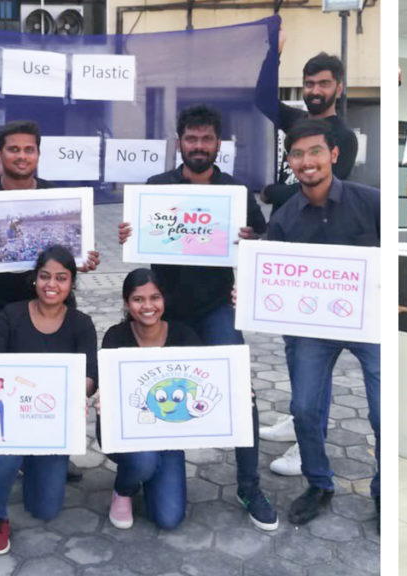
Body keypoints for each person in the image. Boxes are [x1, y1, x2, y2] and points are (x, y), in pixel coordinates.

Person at [118, 104, 277, 531]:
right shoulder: (155, 187)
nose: (199, 146)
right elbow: (138, 248)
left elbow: (262, 247)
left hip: (214, 311)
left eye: (208, 139)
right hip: (162, 313)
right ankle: (136, 471)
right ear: (179, 143)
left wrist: (250, 245)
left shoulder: (237, 194)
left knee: (241, 395)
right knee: (145, 389)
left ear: (219, 145)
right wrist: (128, 237)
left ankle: (249, 485)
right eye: (192, 139)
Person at [0, 120, 99, 484]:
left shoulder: (54, 197)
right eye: (13, 149)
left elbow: (68, 258)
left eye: (28, 149)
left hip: (48, 310)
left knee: (48, 384)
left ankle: (55, 450)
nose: (22, 156)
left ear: (38, 153)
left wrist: (84, 258)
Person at [266, 119, 380, 526]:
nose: (306, 161)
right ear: (289, 162)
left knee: (382, 411)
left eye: (315, 151)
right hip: (312, 329)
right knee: (304, 407)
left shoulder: (371, 202)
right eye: (297, 154)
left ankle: (382, 492)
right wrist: (251, 295)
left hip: (369, 326)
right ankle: (318, 483)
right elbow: (269, 274)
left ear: (333, 155)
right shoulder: (282, 218)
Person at [0, 245, 98, 555]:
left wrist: (79, 392)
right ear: (34, 279)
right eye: (45, 276)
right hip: (11, 421)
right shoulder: (11, 314)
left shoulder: (81, 322)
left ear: (72, 282)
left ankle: (30, 463)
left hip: (50, 424)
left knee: (45, 509)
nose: (51, 285)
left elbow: (90, 375)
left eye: (61, 278)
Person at [97, 267, 201, 530]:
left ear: (164, 300)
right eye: (138, 299)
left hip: (168, 435)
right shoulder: (115, 337)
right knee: (144, 460)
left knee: (169, 518)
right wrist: (102, 396)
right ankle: (124, 489)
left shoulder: (184, 336)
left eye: (155, 298)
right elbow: (107, 387)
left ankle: (147, 472)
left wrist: (236, 390)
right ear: (126, 303)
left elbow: (206, 382)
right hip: (126, 431)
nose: (147, 306)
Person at [260, 37, 359, 210]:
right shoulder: (296, 120)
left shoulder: (345, 137)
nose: (315, 91)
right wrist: (275, 51)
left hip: (315, 230)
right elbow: (262, 98)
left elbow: (323, 189)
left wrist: (271, 193)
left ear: (339, 89)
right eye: (309, 84)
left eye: (324, 84)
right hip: (280, 225)